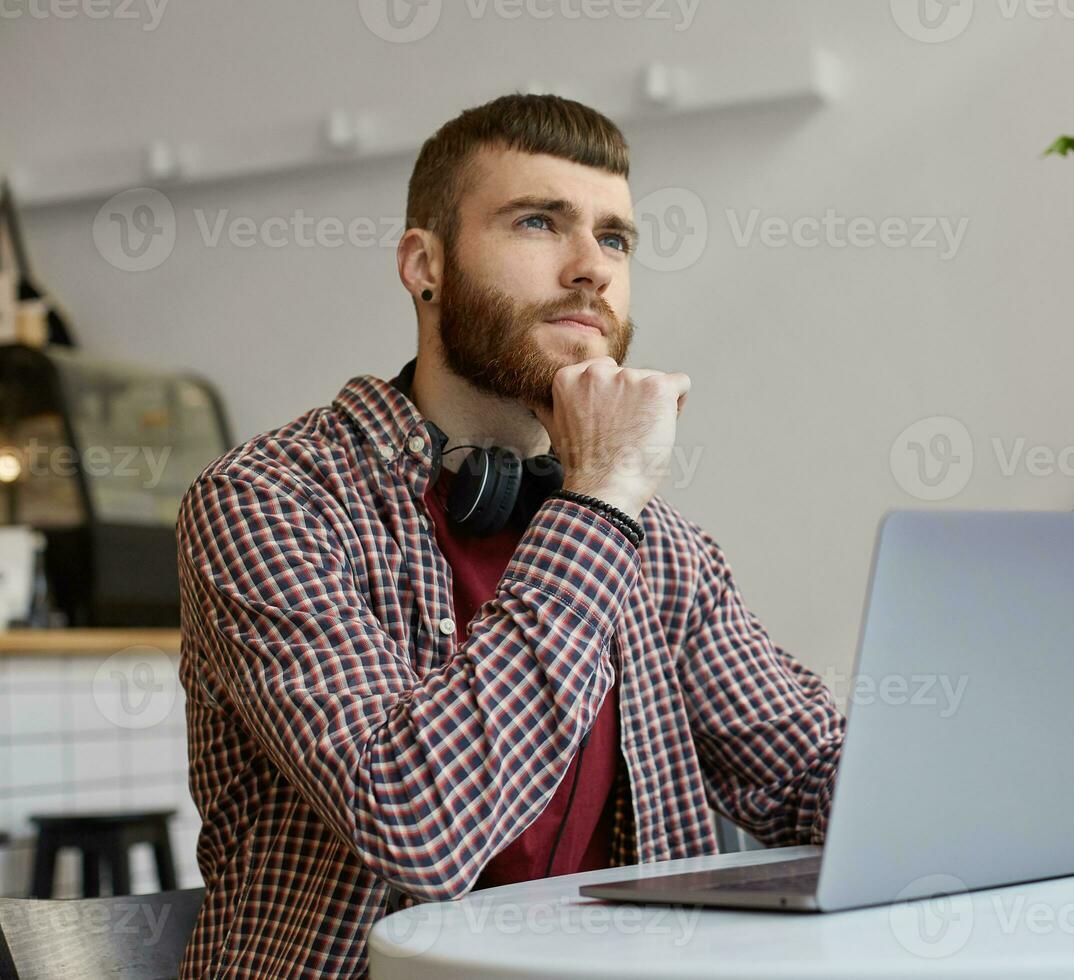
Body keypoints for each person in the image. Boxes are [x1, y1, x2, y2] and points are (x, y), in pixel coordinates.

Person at [175, 93, 846, 978]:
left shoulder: (658, 548)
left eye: (615, 240)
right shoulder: (269, 502)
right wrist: (602, 496)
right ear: (426, 265)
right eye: (539, 222)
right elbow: (418, 823)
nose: (590, 270)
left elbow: (805, 775)